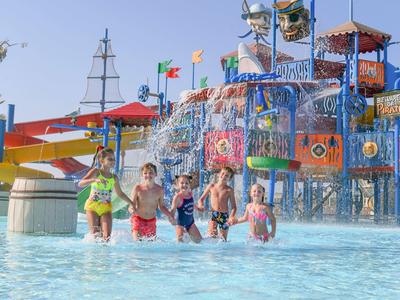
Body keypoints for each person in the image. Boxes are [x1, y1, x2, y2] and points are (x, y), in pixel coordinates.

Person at [79, 147, 133, 242]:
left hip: (106, 208)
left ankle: (105, 256)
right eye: (110, 159)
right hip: (92, 207)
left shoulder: (114, 178)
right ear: (102, 160)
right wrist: (94, 179)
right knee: (95, 235)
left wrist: (131, 203)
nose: (113, 161)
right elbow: (81, 183)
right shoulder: (96, 172)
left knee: (107, 237)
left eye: (114, 159)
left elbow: (120, 193)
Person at [128, 162, 175, 241]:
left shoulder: (159, 190)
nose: (148, 175)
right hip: (138, 219)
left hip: (151, 221)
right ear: (142, 175)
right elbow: (131, 205)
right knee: (137, 242)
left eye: (151, 173)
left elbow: (161, 207)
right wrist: (131, 210)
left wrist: (170, 215)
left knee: (150, 244)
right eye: (145, 173)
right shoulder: (138, 188)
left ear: (155, 174)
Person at [197, 166, 237, 241]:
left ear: (229, 179)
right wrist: (201, 205)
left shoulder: (229, 190)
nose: (224, 176)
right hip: (214, 214)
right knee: (211, 236)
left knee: (223, 240)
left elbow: (234, 207)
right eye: (223, 174)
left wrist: (231, 217)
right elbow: (201, 199)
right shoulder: (211, 186)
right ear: (219, 174)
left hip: (224, 216)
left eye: (227, 175)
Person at [170, 175, 202, 243]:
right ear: (178, 185)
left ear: (189, 185)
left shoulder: (190, 193)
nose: (184, 185)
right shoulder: (177, 197)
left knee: (200, 241)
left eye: (186, 183)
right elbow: (173, 210)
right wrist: (171, 218)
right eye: (182, 183)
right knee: (181, 244)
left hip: (191, 224)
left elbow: (191, 204)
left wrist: (197, 208)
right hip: (180, 225)